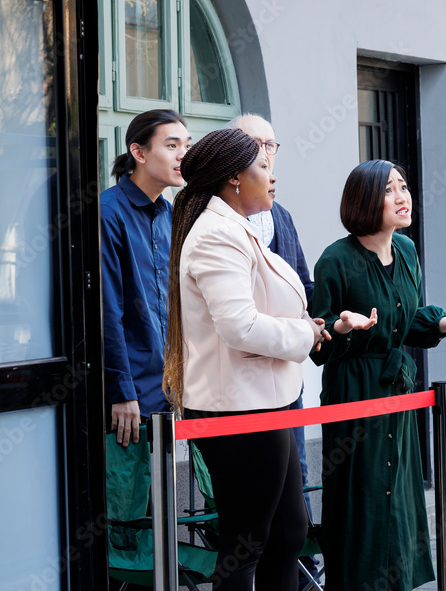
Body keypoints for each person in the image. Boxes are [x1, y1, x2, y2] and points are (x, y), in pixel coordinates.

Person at [309, 160, 446, 591]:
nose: (403, 196)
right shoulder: (335, 259)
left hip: (398, 389)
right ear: (364, 200)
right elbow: (318, 342)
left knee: (398, 493)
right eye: (389, 190)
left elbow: (414, 320)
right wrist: (343, 328)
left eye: (403, 186)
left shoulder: (406, 251)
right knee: (362, 495)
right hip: (354, 391)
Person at [163, 128, 328, 590]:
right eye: (262, 166)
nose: (272, 177)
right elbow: (240, 327)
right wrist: (304, 333)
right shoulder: (218, 235)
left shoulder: (237, 228)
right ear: (235, 177)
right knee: (246, 544)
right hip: (237, 409)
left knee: (286, 534)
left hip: (263, 403)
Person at [228, 113, 319, 576]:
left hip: (286, 377)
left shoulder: (279, 214)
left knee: (290, 509)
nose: (266, 154)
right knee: (249, 521)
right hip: (241, 385)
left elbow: (303, 282)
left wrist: (322, 327)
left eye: (272, 144)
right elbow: (237, 322)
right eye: (255, 144)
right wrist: (301, 333)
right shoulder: (216, 223)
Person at [100, 109, 190, 447]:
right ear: (139, 153)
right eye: (171, 145)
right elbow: (107, 311)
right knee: (132, 497)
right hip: (129, 397)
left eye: (186, 145)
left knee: (165, 492)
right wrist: (121, 392)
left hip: (166, 389)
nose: (183, 154)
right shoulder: (108, 213)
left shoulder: (172, 214)